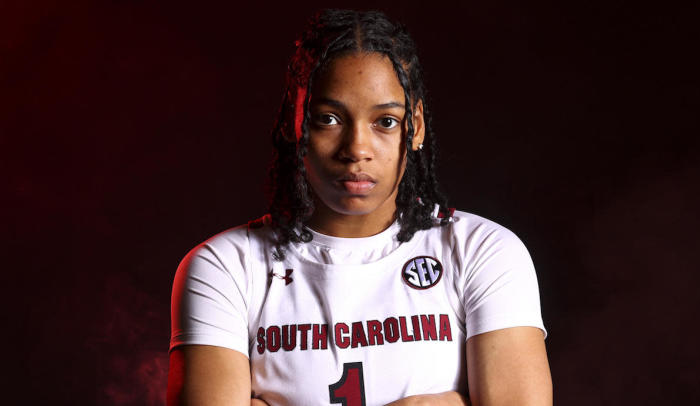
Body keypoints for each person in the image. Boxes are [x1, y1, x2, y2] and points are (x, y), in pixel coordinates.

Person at [167, 9, 552, 406]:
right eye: (328, 119)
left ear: (415, 126)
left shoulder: (482, 252)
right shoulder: (224, 268)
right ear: (291, 123)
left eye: (385, 121)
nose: (356, 150)